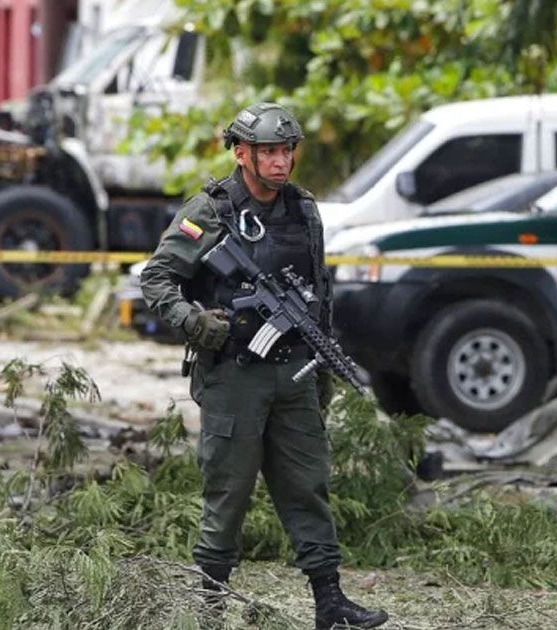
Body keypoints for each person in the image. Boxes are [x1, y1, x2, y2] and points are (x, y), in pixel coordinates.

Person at [140, 103, 388, 629]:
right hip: (234, 376)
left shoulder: (304, 211)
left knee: (308, 488)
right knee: (226, 494)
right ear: (241, 153)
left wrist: (320, 370)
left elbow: (319, 295)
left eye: (286, 151)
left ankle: (331, 604)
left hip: (294, 373)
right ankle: (208, 612)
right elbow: (157, 278)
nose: (280, 162)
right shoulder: (210, 211)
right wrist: (195, 321)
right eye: (269, 152)